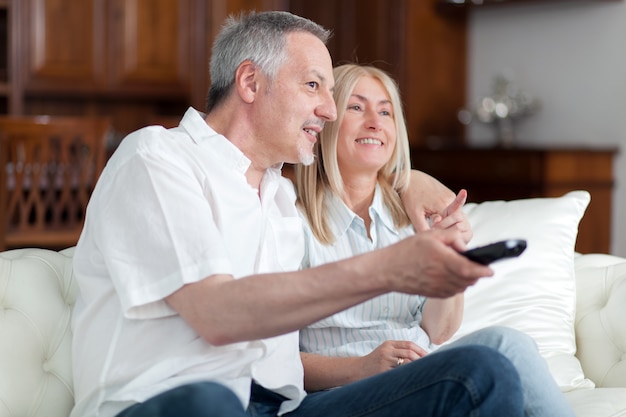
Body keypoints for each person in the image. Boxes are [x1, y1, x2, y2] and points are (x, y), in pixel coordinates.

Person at [69, 10, 525, 417]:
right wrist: (391, 268)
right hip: (171, 403)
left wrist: (409, 181)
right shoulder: (157, 158)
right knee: (212, 402)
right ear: (250, 83)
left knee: (482, 371)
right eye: (313, 86)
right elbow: (216, 315)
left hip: (284, 409)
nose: (328, 110)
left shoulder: (280, 199)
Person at [295, 63, 575, 417]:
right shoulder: (292, 221)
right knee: (482, 369)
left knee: (511, 344)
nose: (375, 121)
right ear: (326, 120)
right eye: (356, 107)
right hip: (341, 392)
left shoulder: (411, 215)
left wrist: (451, 260)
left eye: (386, 111)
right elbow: (272, 361)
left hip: (421, 372)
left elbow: (439, 331)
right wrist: (362, 365)